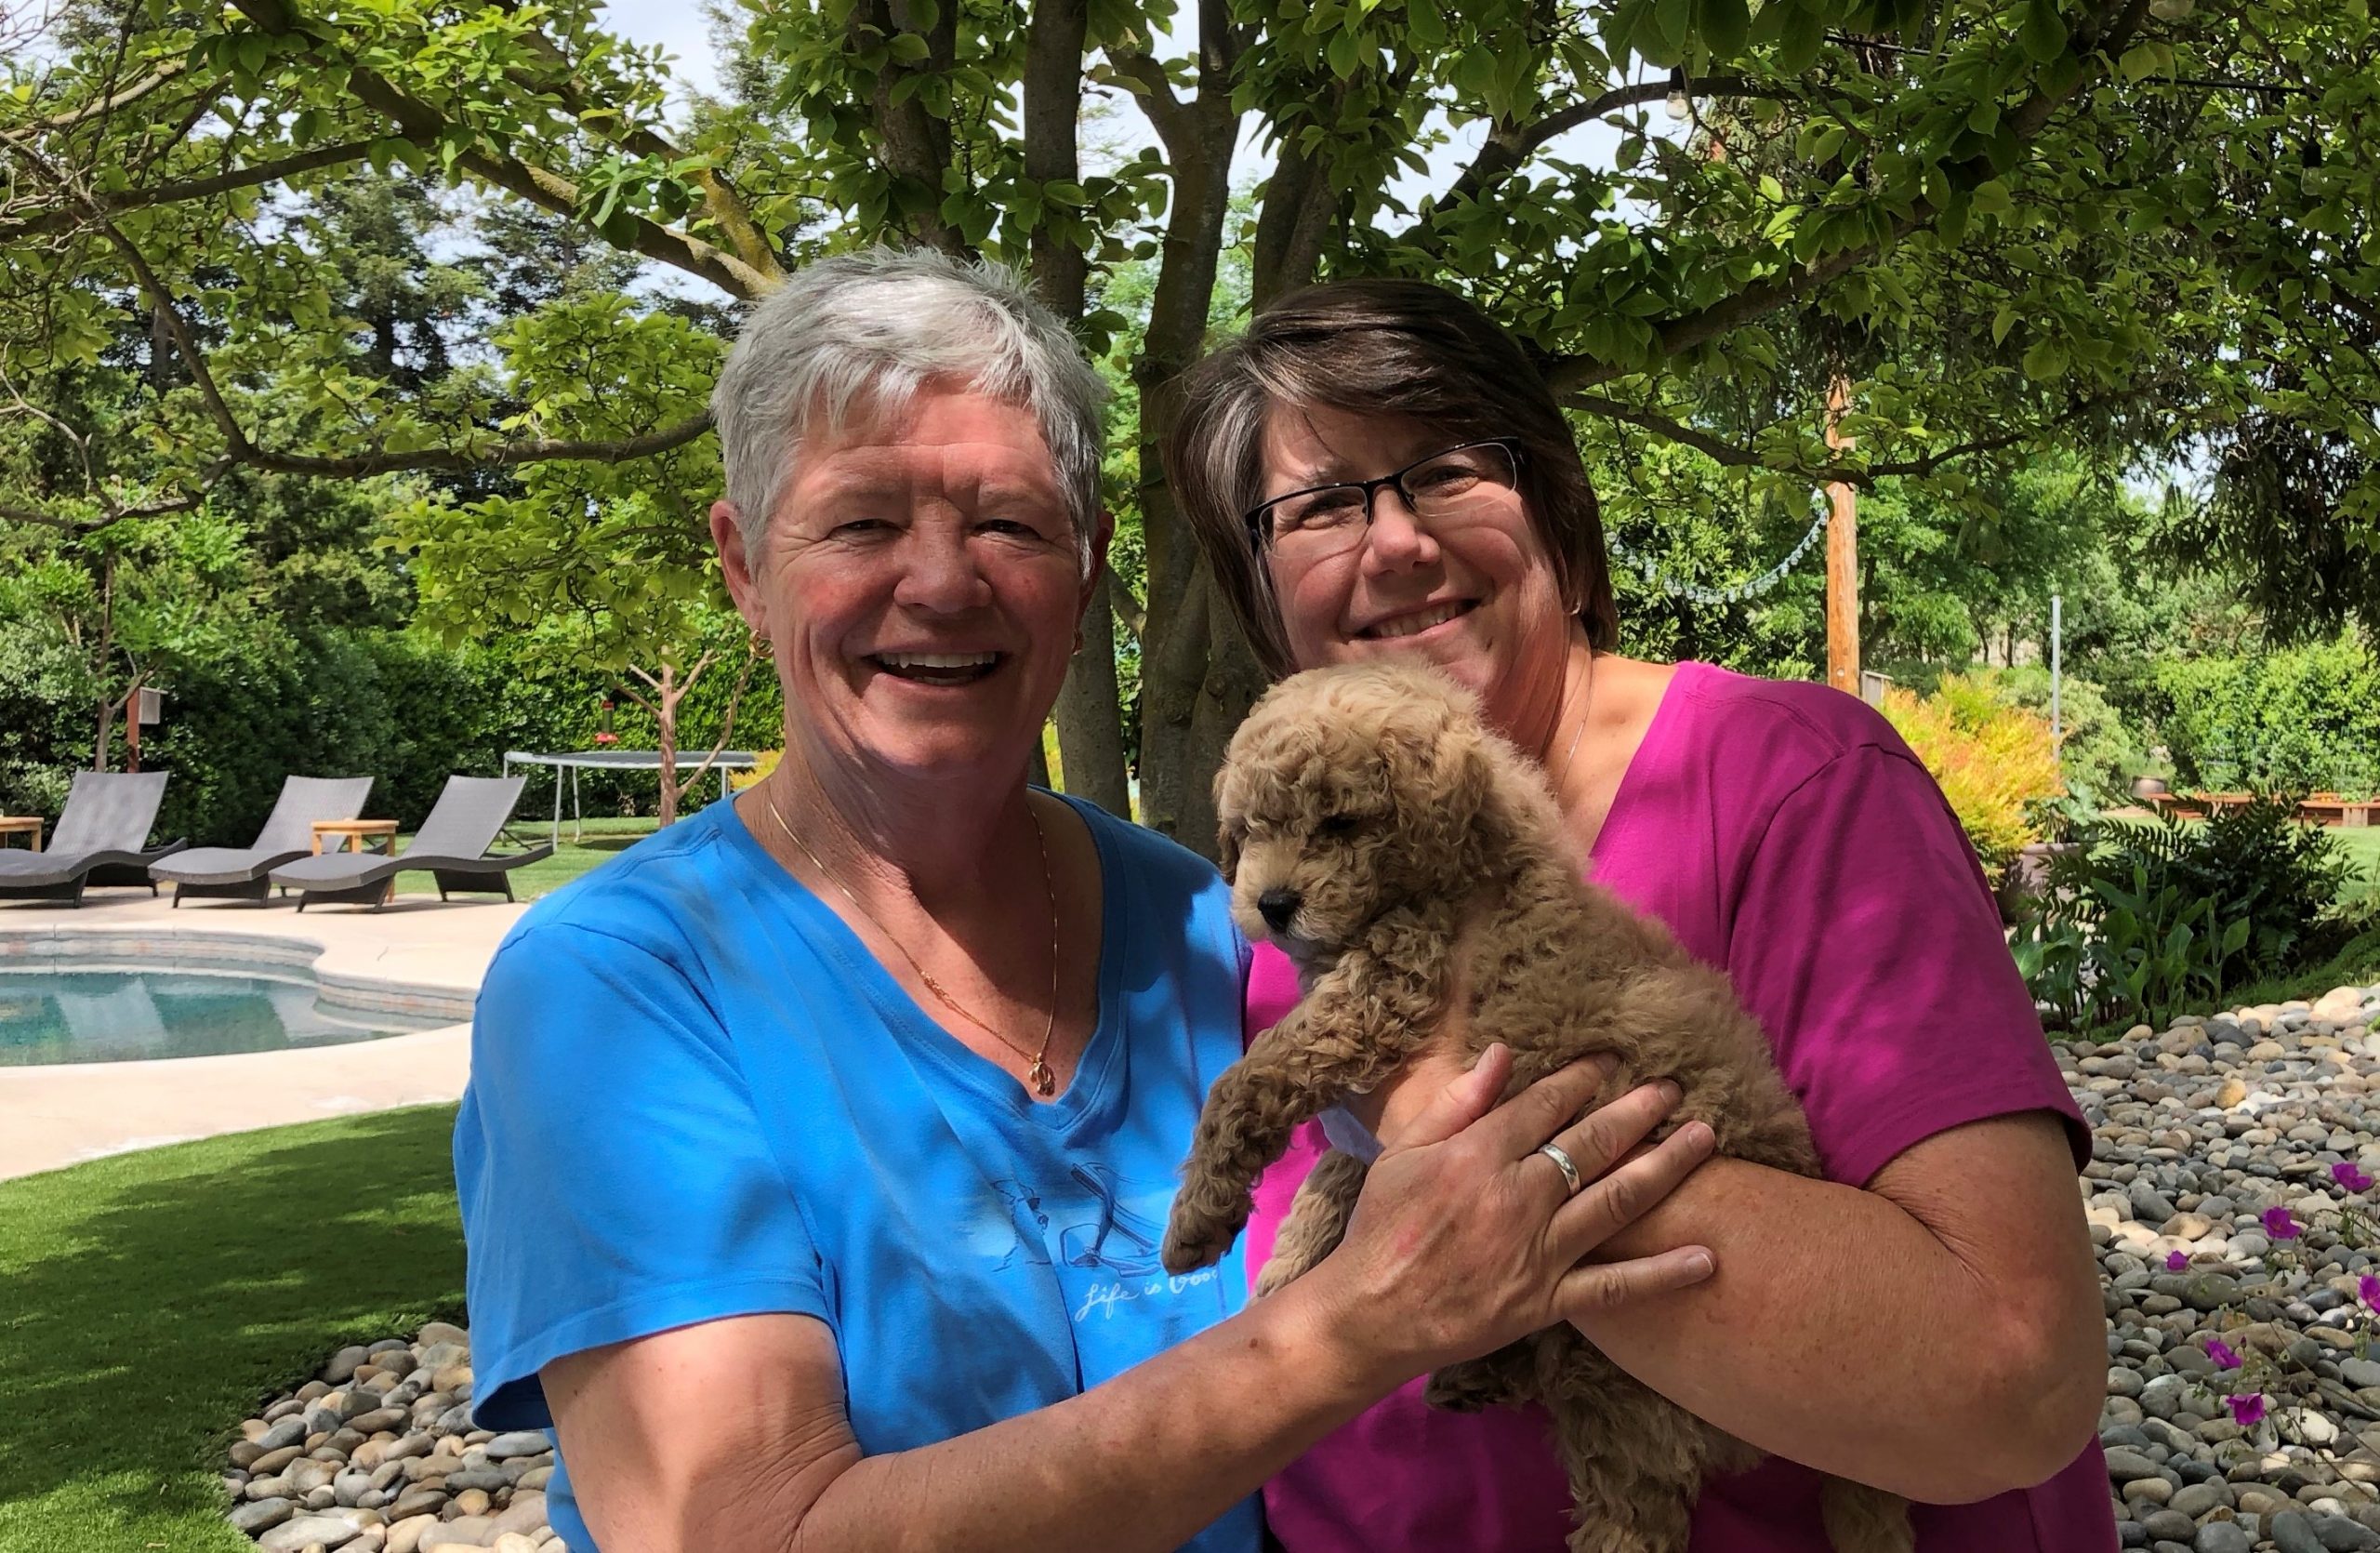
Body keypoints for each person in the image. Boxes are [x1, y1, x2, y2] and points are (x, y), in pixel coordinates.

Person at [451, 248, 1722, 1553]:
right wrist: (1350, 1327)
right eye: (862, 522)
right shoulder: (617, 990)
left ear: (1091, 564)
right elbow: (748, 1530)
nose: (944, 583)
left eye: (1008, 521)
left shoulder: (1188, 921)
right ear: (742, 565)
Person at [1165, 277, 2111, 1552]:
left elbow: (2014, 1380)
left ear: (1551, 506)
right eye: (1323, 504)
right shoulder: (1276, 906)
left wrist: (1463, 1126)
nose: (1391, 543)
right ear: (1262, 584)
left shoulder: (1795, 784)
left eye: (1444, 470)